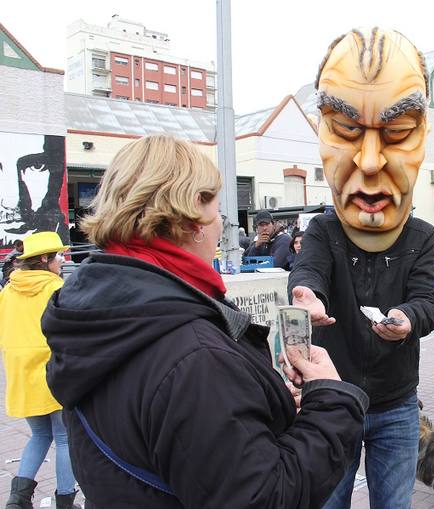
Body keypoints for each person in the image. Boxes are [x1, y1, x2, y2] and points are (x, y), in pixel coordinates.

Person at [42, 135, 368, 508]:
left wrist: (261, 410)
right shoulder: (194, 356)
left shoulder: (97, 311)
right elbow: (266, 497)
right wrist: (328, 399)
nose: (220, 227)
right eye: (217, 210)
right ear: (193, 217)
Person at [288, 29, 434, 509]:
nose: (371, 162)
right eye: (345, 128)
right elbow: (307, 273)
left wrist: (408, 320)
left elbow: (430, 300)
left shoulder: (419, 236)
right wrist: (306, 296)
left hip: (396, 404)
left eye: (397, 132)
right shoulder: (322, 231)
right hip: (332, 401)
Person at [0, 231, 81, 509]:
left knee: (40, 435)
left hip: (21, 376)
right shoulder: (56, 289)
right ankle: (65, 501)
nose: (61, 260)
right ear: (44, 259)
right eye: (58, 256)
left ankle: (17, 500)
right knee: (63, 437)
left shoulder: (8, 291)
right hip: (53, 373)